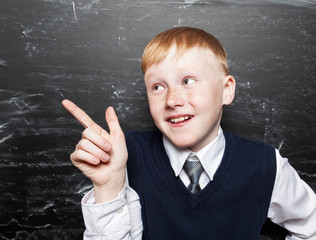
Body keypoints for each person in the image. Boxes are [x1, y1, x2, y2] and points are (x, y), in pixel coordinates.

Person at [62, 27, 316, 239]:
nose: (172, 100)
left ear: (226, 90)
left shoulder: (264, 164)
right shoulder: (125, 155)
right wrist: (108, 186)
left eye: (188, 81)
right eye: (158, 86)